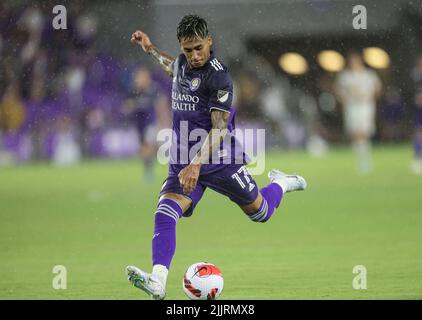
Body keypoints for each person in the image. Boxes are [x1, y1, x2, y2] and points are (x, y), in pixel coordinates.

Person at [126, 15, 307, 300]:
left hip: (219, 158)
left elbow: (220, 128)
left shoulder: (219, 77)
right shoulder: (184, 64)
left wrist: (197, 164)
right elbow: (171, 66)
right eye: (188, 50)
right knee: (165, 211)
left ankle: (282, 183)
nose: (194, 55)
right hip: (185, 159)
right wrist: (149, 48)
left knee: (260, 213)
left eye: (199, 48)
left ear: (209, 41)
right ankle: (158, 281)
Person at [335, 51, 382, 174]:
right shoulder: (346, 76)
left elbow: (377, 87)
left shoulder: (368, 74)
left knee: (364, 132)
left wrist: (370, 97)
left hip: (365, 106)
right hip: (352, 106)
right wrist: (345, 99)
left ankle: (364, 159)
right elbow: (338, 90)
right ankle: (361, 158)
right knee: (355, 133)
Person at [123, 67, 167, 181]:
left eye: (143, 77)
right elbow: (126, 106)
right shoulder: (134, 91)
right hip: (139, 123)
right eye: (139, 77)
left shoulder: (153, 90)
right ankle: (148, 169)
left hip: (150, 122)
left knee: (148, 145)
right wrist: (134, 105)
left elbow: (161, 104)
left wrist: (163, 120)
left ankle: (149, 172)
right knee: (143, 148)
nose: (141, 80)